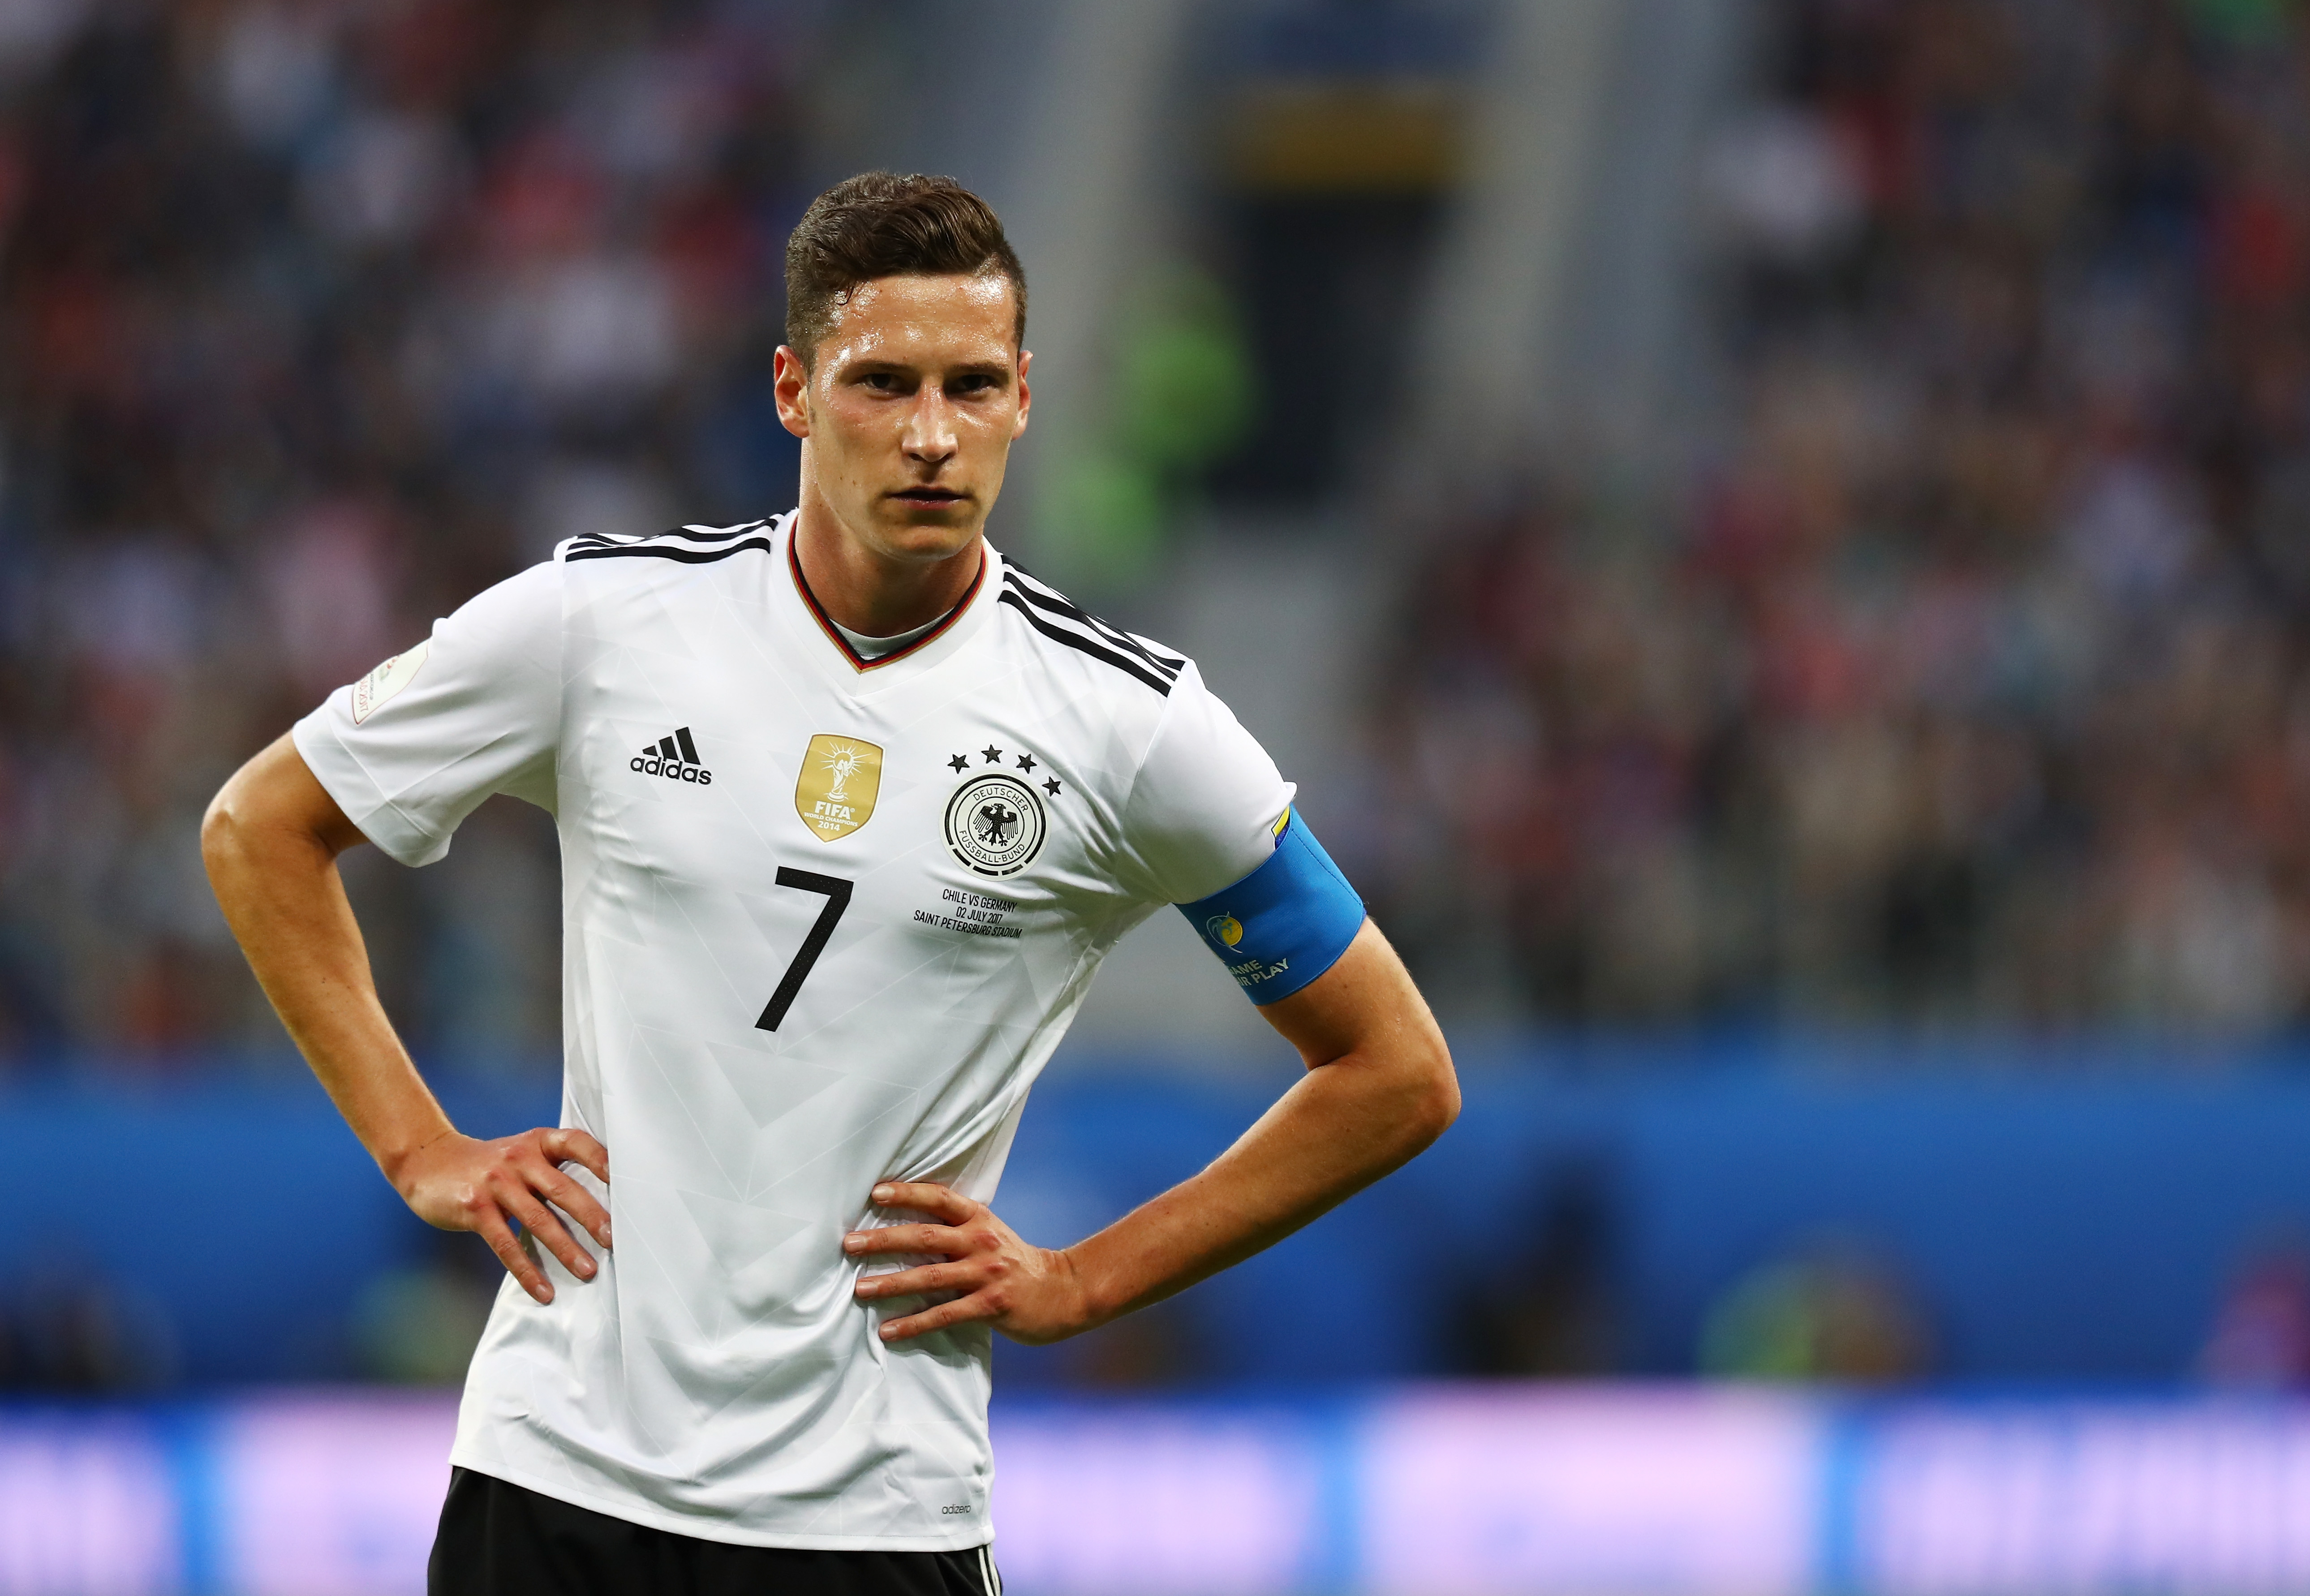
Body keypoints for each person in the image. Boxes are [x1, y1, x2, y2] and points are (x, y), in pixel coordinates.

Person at [200, 171, 1459, 1596]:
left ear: (1027, 397)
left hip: (873, 1518)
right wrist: (421, 1148)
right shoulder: (600, 627)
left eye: (974, 385)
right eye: (884, 384)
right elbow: (261, 828)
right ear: (794, 390)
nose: (933, 435)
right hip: (554, 1478)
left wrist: (1085, 1279)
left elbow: (1397, 1071)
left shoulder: (1132, 729)